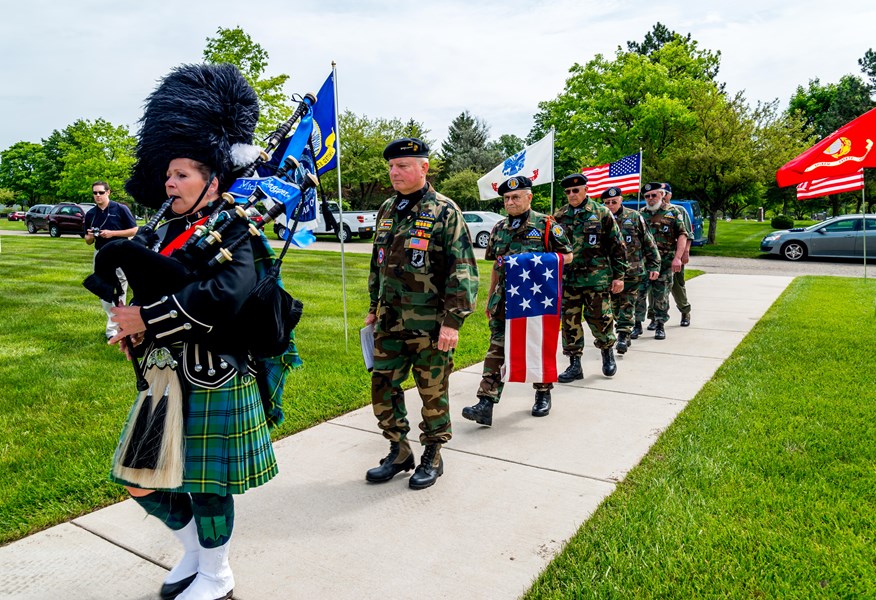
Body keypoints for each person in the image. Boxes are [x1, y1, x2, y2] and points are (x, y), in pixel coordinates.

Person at [104, 63, 283, 600]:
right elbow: (152, 288)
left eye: (182, 174)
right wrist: (132, 327)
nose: (170, 182)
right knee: (139, 477)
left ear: (213, 178)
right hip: (164, 374)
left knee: (206, 487)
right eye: (168, 174)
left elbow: (223, 297)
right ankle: (195, 554)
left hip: (214, 373)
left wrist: (147, 319)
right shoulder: (168, 232)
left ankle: (218, 574)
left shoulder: (238, 230)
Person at [364, 137, 478, 491]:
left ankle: (433, 453)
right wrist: (372, 307)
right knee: (383, 388)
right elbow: (377, 263)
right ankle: (399, 450)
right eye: (392, 167)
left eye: (402, 166)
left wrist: (452, 322)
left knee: (432, 392)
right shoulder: (387, 209)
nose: (394, 173)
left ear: (423, 168)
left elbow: (463, 269)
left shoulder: (445, 211)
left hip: (429, 326)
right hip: (389, 322)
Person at [461, 175, 572, 426]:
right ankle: (485, 402)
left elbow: (568, 256)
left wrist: (534, 262)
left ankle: (543, 392)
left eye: (515, 197)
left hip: (535, 300)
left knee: (536, 345)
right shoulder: (499, 228)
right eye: (506, 198)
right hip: (505, 299)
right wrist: (490, 297)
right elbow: (496, 267)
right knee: (496, 348)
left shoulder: (546, 225)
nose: (510, 202)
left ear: (529, 197)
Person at [553, 174, 627, 381]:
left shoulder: (601, 213)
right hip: (569, 280)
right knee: (569, 323)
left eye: (575, 190)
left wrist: (619, 276)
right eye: (568, 191)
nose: (572, 195)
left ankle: (607, 353)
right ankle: (574, 364)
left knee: (600, 319)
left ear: (586, 190)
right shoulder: (559, 216)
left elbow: (617, 246)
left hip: (596, 279)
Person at [601, 186, 659, 353]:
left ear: (621, 200)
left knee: (627, 303)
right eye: (607, 202)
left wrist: (654, 264)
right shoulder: (600, 219)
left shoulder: (634, 217)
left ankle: (623, 335)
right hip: (609, 272)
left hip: (632, 270)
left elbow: (648, 241)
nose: (611, 205)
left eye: (614, 201)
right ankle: (621, 330)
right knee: (613, 305)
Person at [633, 182, 691, 340]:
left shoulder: (673, 213)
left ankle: (660, 325)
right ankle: (637, 325)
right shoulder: (640, 214)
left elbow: (682, 234)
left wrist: (678, 257)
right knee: (639, 295)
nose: (650, 199)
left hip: (665, 263)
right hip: (643, 263)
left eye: (654, 195)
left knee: (661, 296)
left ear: (661, 195)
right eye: (647, 196)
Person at [84, 182, 138, 340]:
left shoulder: (120, 209)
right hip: (100, 254)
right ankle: (116, 321)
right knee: (102, 288)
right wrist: (91, 236)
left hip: (120, 252)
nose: (98, 196)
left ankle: (114, 329)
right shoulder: (91, 214)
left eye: (101, 192)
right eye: (95, 193)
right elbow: (87, 240)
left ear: (108, 192)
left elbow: (134, 230)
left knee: (120, 288)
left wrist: (112, 234)